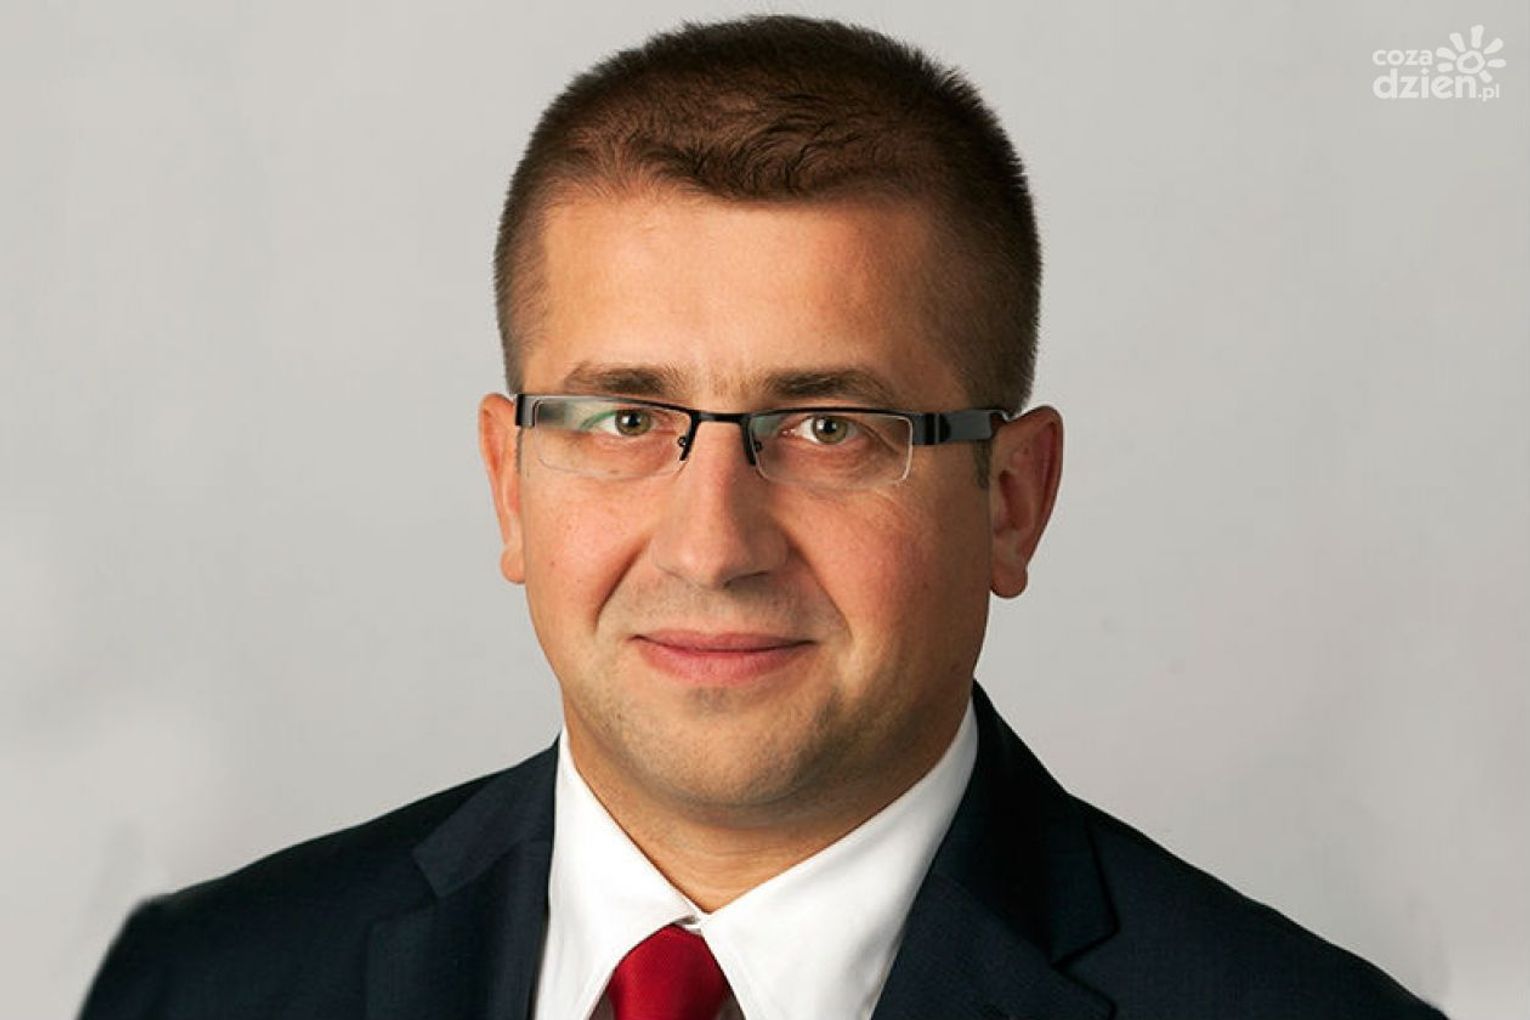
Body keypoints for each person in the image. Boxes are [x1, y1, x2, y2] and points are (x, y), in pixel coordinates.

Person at [80, 14, 1447, 1020]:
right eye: (624, 420)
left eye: (829, 428)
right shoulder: (200, 987)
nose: (711, 547)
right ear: (508, 483)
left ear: (1010, 502)